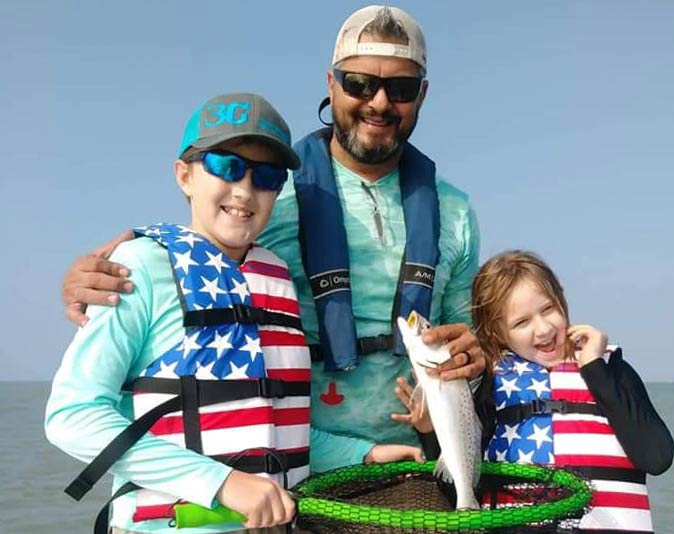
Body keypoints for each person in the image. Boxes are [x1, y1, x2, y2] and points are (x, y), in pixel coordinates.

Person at [59, 5, 485, 473]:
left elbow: (467, 338)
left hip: (413, 464)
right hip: (292, 471)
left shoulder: (457, 212)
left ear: (422, 95)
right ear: (331, 84)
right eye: (359, 83)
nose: (379, 102)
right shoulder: (270, 193)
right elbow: (191, 270)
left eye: (400, 89)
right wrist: (113, 269)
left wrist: (473, 355)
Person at [47, 92, 314, 534]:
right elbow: (71, 416)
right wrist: (221, 483)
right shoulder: (140, 267)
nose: (244, 189)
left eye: (266, 175)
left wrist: (359, 452)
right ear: (184, 175)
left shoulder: (278, 277)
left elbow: (273, 421)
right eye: (225, 166)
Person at [470, 250, 674, 533]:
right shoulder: (490, 384)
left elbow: (657, 457)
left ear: (561, 298)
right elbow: (459, 470)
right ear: (496, 333)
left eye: (548, 309)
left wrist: (594, 368)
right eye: (521, 322)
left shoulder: (611, 369)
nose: (543, 329)